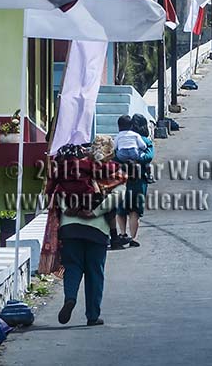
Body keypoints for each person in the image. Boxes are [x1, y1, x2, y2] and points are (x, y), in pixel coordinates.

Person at [49, 136, 128, 327]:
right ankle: (92, 315)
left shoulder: (73, 167)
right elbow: (116, 197)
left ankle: (70, 298)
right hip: (97, 229)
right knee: (95, 272)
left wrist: (68, 208)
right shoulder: (113, 171)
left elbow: (58, 190)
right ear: (111, 152)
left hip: (69, 227)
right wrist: (94, 212)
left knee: (73, 266)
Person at [116, 113, 155, 248]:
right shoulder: (145, 141)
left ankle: (122, 234)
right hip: (138, 180)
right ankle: (133, 238)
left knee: (121, 208)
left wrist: (123, 158)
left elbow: (113, 155)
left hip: (121, 179)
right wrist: (137, 158)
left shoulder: (120, 138)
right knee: (135, 210)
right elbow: (148, 157)